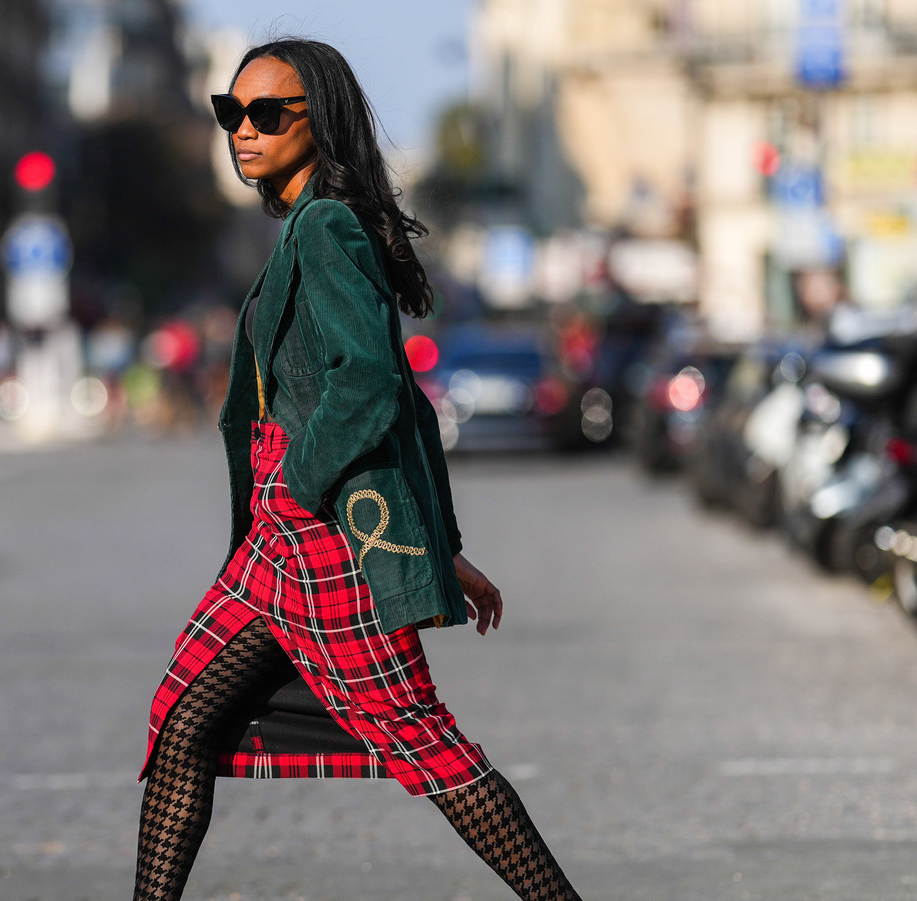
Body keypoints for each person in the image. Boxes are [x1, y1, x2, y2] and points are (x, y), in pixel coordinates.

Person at [134, 39, 585, 900]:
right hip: (276, 539)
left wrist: (300, 486)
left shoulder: (328, 225)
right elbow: (408, 407)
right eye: (234, 113)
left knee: (421, 737)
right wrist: (435, 543)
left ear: (320, 121)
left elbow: (374, 386)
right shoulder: (307, 224)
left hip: (315, 528)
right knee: (185, 721)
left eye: (270, 114)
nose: (245, 130)